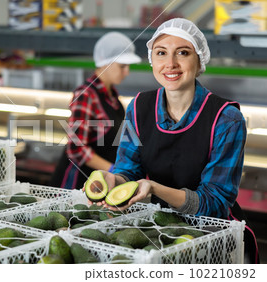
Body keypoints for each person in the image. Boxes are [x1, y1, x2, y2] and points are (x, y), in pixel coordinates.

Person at [86, 18, 258, 263]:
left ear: (199, 60)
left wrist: (155, 188)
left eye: (183, 52)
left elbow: (215, 202)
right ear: (151, 60)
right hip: (156, 232)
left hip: (212, 241)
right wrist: (114, 179)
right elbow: (129, 169)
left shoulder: (226, 119)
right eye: (161, 53)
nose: (170, 63)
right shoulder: (138, 107)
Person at [50, 32, 141, 189]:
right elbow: (76, 149)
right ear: (106, 63)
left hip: (103, 181)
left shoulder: (113, 98)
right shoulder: (85, 95)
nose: (127, 72)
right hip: (78, 184)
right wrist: (112, 170)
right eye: (122, 66)